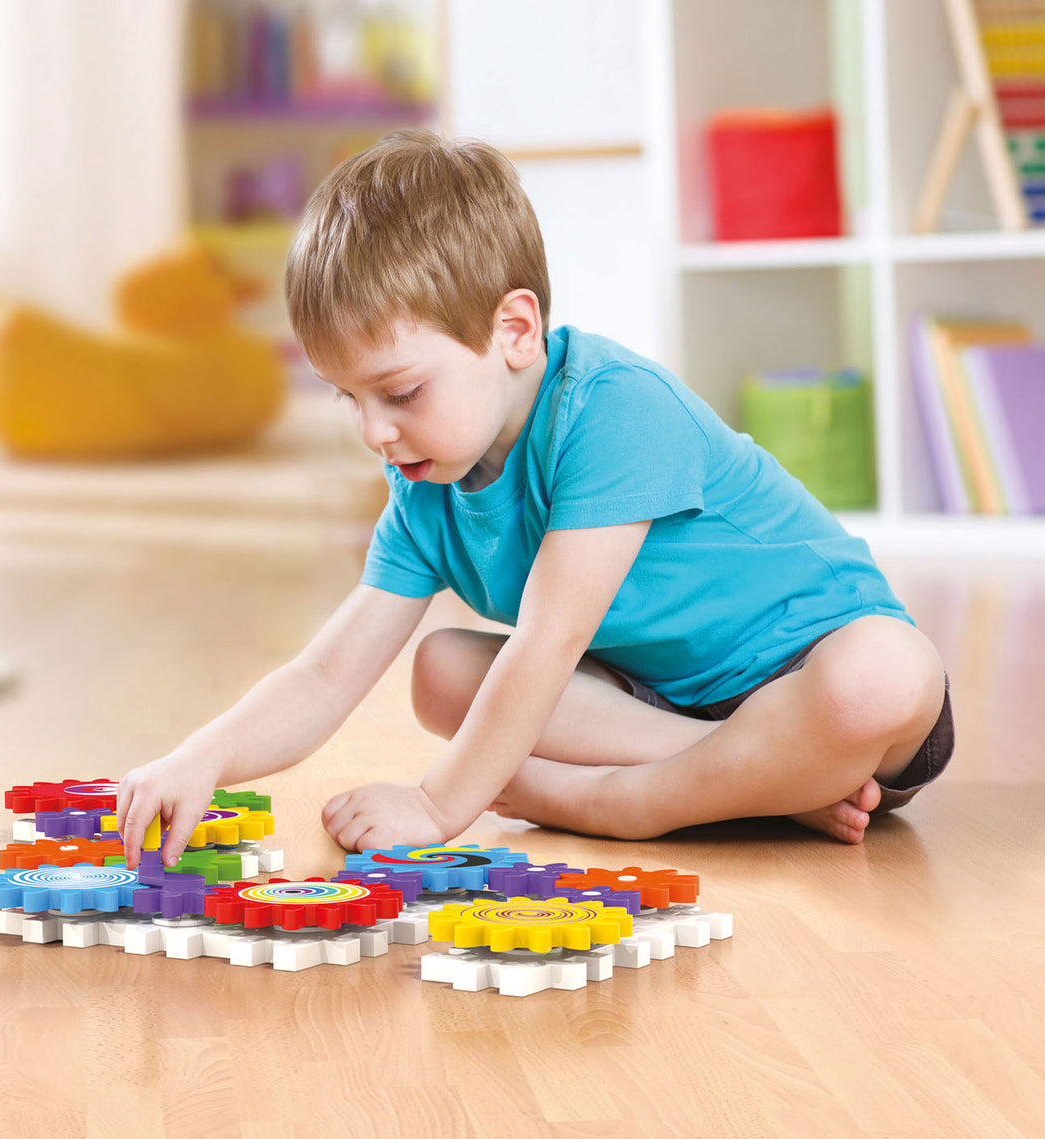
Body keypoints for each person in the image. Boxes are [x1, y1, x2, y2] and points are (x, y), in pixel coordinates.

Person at [116, 131, 952, 867]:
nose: (375, 432)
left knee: (884, 673)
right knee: (442, 673)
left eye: (400, 392)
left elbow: (548, 644)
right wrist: (202, 757)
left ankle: (619, 804)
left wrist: (442, 804)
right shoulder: (426, 480)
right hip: (666, 709)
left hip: (822, 682)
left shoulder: (613, 407)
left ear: (515, 332)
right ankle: (762, 780)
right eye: (350, 400)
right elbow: (329, 670)